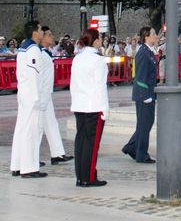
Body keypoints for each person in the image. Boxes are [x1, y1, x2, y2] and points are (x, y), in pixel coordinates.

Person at [71, 34, 109, 187]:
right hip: (94, 104)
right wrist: (105, 108)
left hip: (79, 104)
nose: (101, 41)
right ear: (95, 41)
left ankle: (80, 176)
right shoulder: (98, 59)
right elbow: (101, 86)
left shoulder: (78, 58)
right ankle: (89, 177)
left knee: (80, 140)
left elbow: (73, 83)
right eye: (99, 38)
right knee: (92, 144)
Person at [10, 21, 47, 178]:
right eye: (40, 30)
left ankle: (17, 165)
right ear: (34, 33)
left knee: (22, 129)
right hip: (31, 95)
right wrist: (37, 97)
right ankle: (29, 168)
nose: (42, 33)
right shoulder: (33, 50)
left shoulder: (23, 47)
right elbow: (34, 75)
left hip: (24, 94)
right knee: (31, 131)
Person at [36, 28, 73, 167]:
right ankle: (31, 156)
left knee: (51, 123)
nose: (52, 37)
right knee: (37, 126)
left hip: (46, 94)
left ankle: (57, 153)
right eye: (49, 35)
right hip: (40, 95)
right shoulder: (37, 52)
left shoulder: (46, 52)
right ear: (42, 36)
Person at [122, 26, 158, 163]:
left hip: (148, 92)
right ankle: (141, 154)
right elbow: (140, 76)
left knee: (146, 123)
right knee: (145, 124)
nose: (156, 36)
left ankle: (131, 147)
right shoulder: (143, 52)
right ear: (146, 36)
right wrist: (145, 94)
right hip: (144, 94)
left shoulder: (148, 51)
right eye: (153, 33)